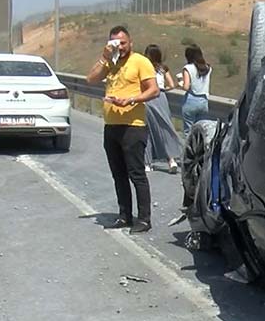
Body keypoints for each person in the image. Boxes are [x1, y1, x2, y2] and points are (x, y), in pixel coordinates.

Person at [85, 25, 160, 234]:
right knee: (118, 174)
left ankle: (144, 218)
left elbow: (154, 90)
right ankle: (124, 215)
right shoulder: (110, 62)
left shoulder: (140, 62)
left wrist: (131, 99)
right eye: (115, 43)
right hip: (111, 125)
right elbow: (90, 79)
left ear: (131, 42)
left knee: (136, 173)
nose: (120, 47)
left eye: (123, 42)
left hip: (133, 126)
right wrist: (104, 57)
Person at [142, 44, 182, 174]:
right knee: (166, 127)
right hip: (161, 97)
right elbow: (172, 84)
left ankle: (147, 163)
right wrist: (163, 89)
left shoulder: (144, 68)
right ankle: (171, 160)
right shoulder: (163, 69)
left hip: (148, 98)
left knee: (147, 130)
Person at [178, 44, 213, 139]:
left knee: (188, 132)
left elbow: (186, 86)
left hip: (191, 100)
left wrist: (180, 83)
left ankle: (188, 152)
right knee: (201, 131)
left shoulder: (188, 68)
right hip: (204, 101)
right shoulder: (207, 68)